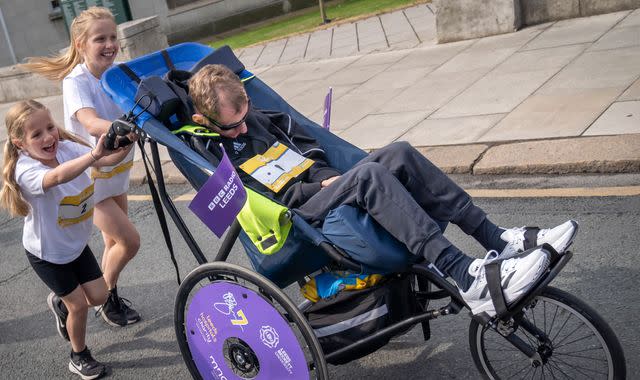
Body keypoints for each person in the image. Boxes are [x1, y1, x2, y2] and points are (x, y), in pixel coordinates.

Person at [186, 64, 579, 318]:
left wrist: (325, 176)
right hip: (295, 217)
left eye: (243, 116)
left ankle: (498, 238)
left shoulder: (264, 117)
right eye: (230, 126)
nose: (241, 127)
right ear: (204, 120)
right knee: (368, 177)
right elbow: (264, 204)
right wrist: (315, 186)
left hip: (325, 188)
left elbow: (313, 149)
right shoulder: (213, 155)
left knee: (399, 153)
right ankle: (466, 276)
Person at [23, 6, 141, 326]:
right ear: (81, 45)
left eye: (113, 37)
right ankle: (92, 299)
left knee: (113, 243)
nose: (109, 44)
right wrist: (122, 127)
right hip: (92, 178)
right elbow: (89, 123)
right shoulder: (76, 81)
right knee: (130, 242)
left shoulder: (119, 73)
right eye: (100, 38)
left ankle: (102, 298)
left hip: (118, 171)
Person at [0, 100, 133, 379]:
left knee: (98, 296)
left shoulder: (67, 148)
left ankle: (61, 303)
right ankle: (79, 355)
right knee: (80, 305)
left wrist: (125, 143)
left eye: (50, 127)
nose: (48, 137)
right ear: (20, 143)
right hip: (47, 254)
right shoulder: (25, 170)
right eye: (36, 134)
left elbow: (106, 159)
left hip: (75, 246)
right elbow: (58, 176)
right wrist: (95, 155)